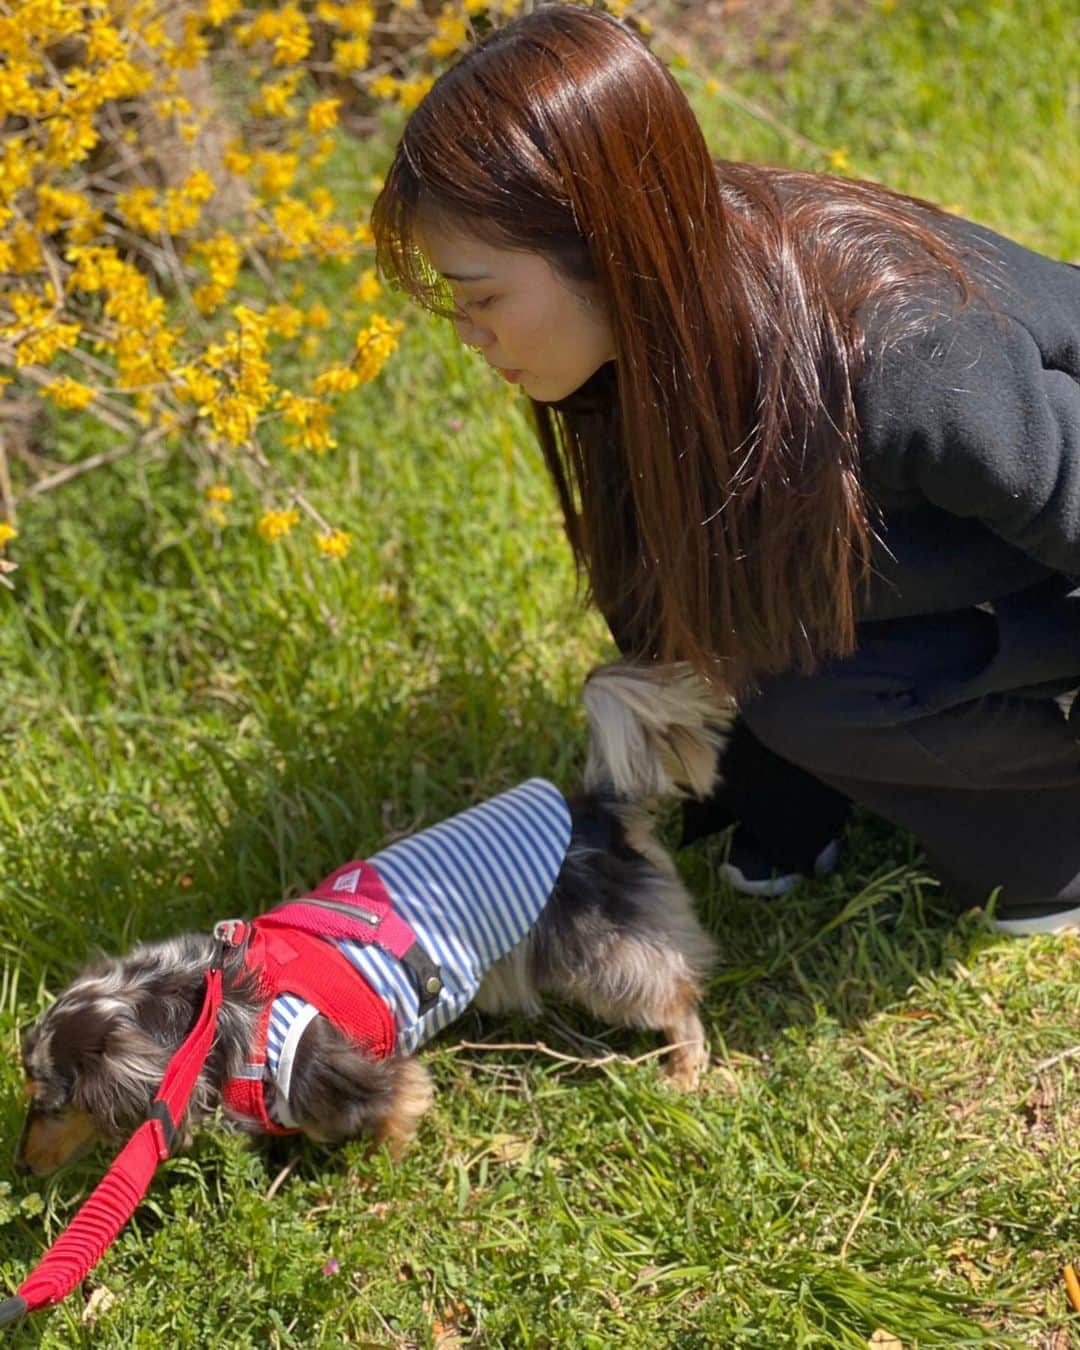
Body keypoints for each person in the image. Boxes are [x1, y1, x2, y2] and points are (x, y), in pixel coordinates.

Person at [370, 4, 1080, 935]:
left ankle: (1050, 844)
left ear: (609, 247)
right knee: (771, 673)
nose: (466, 333)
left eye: (483, 295)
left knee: (814, 696)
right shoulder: (663, 330)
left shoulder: (904, 355)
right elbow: (689, 592)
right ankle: (829, 785)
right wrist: (772, 801)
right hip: (997, 567)